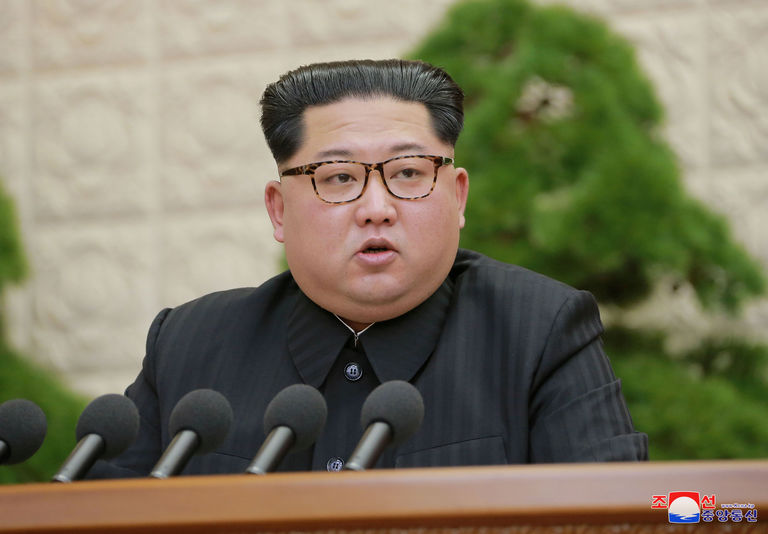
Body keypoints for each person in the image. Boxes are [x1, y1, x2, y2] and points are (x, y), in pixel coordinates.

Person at [90, 59, 647, 478]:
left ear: (457, 198)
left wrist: (732, 511)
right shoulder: (189, 346)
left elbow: (636, 510)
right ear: (279, 210)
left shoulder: (541, 331)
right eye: (337, 177)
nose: (376, 207)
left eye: (408, 173)